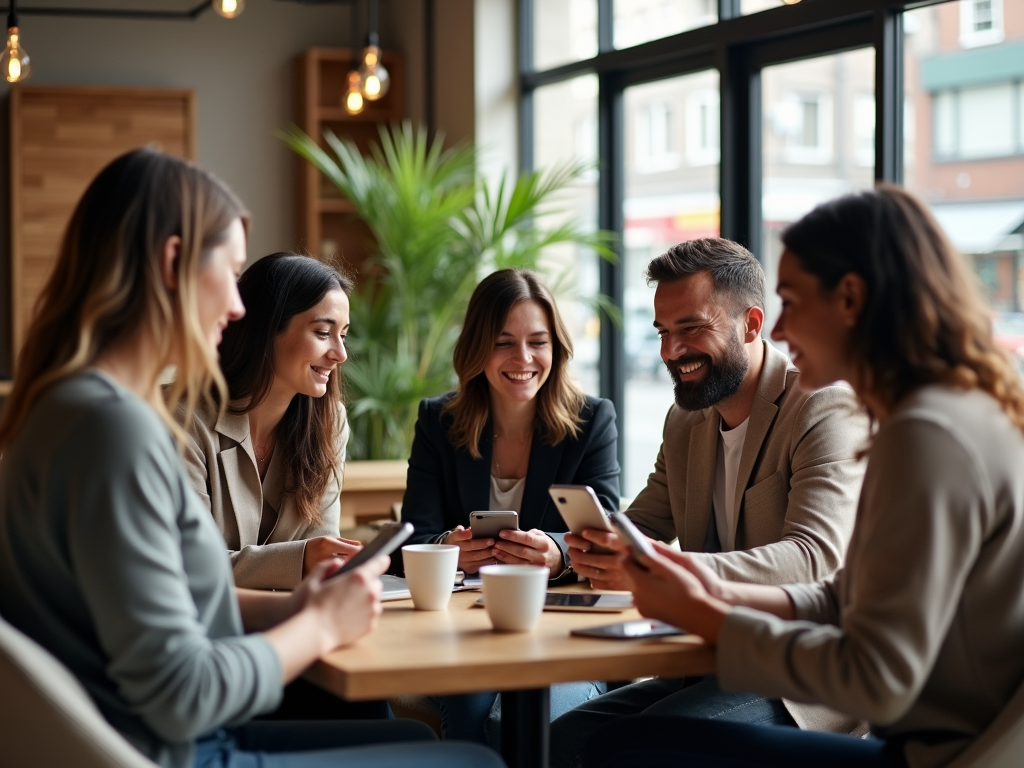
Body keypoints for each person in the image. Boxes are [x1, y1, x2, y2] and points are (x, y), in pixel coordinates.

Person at [0, 148, 503, 768]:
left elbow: (179, 599)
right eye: (230, 273)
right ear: (173, 262)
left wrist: (300, 606)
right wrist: (316, 628)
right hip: (176, 749)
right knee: (472, 762)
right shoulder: (120, 431)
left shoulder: (67, 408)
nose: (238, 308)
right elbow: (184, 694)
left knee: (416, 741)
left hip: (156, 735)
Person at [582, 185, 1024, 768]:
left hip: (934, 757)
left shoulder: (927, 435)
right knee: (581, 737)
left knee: (622, 751)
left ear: (850, 299)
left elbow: (877, 677)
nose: (780, 330)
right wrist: (702, 588)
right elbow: (847, 598)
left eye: (791, 301)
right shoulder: (946, 413)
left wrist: (707, 612)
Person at [550, 238, 869, 768]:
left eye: (691, 328)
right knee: (565, 738)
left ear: (750, 324)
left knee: (638, 748)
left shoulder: (821, 405)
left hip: (801, 677)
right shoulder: (686, 421)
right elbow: (645, 522)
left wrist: (666, 570)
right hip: (709, 660)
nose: (670, 352)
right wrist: (576, 551)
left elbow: (815, 557)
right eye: (662, 332)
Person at [399, 268, 620, 746]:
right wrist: (446, 550)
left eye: (537, 342)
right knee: (472, 710)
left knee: (540, 723)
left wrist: (558, 553)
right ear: (478, 348)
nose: (523, 358)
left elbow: (605, 530)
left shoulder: (591, 420)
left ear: (555, 348)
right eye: (504, 343)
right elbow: (414, 538)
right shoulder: (438, 422)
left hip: (561, 632)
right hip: (465, 631)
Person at [181, 252, 362, 592]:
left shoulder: (330, 422)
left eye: (344, 335)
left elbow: (322, 548)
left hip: (296, 622)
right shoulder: (184, 420)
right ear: (266, 331)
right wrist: (301, 560)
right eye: (323, 332)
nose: (341, 354)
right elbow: (190, 565)